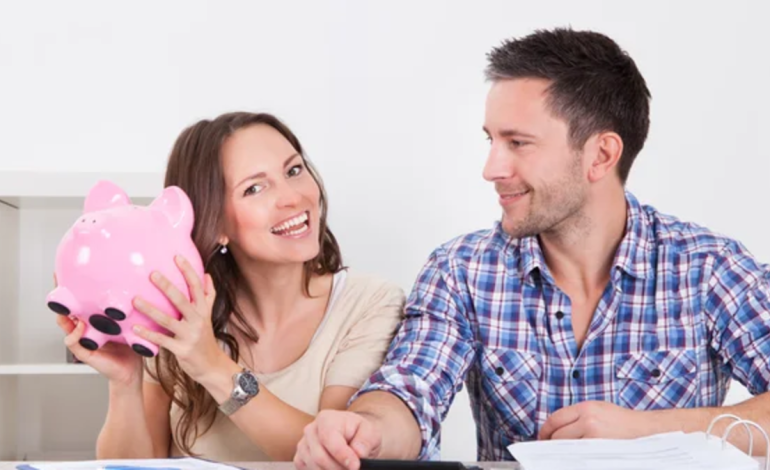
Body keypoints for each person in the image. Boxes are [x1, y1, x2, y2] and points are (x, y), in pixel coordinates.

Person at [293, 27, 770, 469]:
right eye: (491, 140)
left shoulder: (709, 268)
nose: (491, 169)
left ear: (601, 155)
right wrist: (366, 429)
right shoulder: (461, 270)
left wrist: (647, 431)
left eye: (518, 143)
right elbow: (410, 391)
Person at [55, 111, 406, 462]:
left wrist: (212, 366)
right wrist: (125, 383)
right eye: (254, 188)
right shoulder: (181, 312)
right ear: (215, 222)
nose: (292, 197)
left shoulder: (369, 304)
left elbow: (334, 456)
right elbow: (132, 469)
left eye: (294, 170)